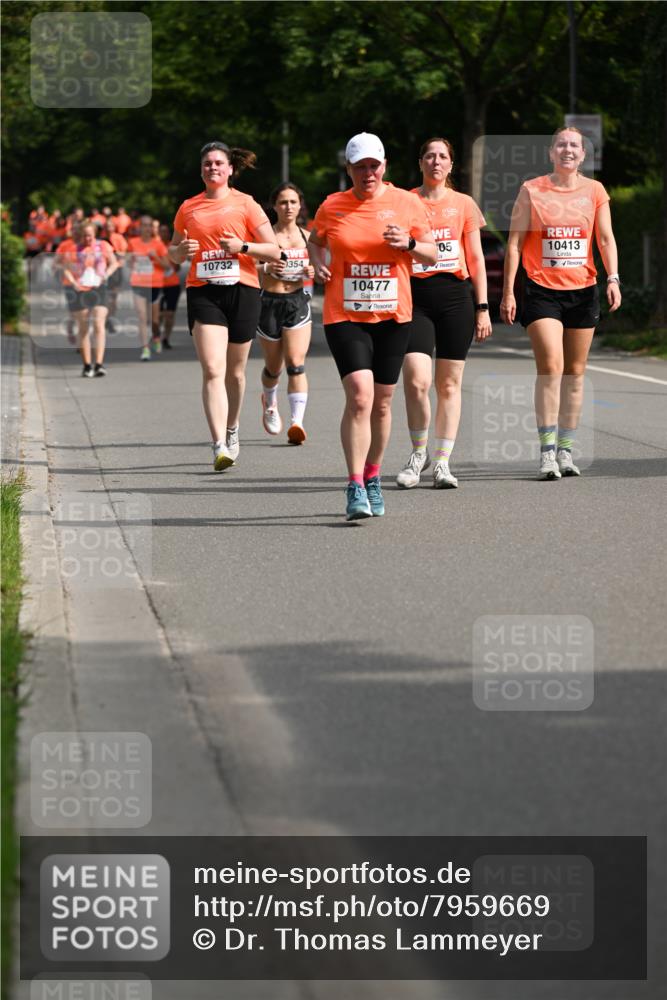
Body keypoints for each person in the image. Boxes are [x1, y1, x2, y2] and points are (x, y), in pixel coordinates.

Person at [308, 133, 436, 520]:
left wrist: (409, 243)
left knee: (382, 402)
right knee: (360, 396)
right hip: (345, 315)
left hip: (393, 316)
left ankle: (373, 475)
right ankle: (355, 485)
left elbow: (431, 254)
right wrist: (318, 264)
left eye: (374, 166)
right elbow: (315, 240)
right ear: (348, 169)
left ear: (384, 167)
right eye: (360, 167)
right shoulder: (332, 206)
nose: (368, 173)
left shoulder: (406, 203)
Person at [500, 125, 622, 479]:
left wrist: (613, 278)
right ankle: (547, 452)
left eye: (574, 146)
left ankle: (566, 451)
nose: (568, 150)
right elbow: (514, 244)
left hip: (583, 290)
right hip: (541, 290)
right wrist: (508, 291)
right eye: (561, 145)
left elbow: (605, 239)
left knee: (575, 373)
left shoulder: (595, 191)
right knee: (552, 367)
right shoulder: (532, 189)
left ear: (583, 155)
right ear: (551, 152)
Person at [168, 140, 281, 470]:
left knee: (235, 372)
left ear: (230, 169)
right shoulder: (188, 207)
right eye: (207, 164)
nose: (212, 168)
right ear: (201, 170)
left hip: (242, 291)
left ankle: (232, 428)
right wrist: (180, 252)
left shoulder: (246, 204)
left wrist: (242, 246)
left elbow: (274, 250)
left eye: (218, 163)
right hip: (204, 292)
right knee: (213, 369)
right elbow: (172, 252)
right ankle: (218, 443)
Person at [396, 137, 493, 490]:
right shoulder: (404, 201)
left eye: (442, 157)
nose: (436, 161)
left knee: (449, 384)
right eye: (430, 156)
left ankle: (442, 463)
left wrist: (483, 307)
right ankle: (418, 454)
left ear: (451, 164)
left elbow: (476, 258)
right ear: (420, 162)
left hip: (455, 298)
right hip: (415, 297)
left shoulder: (463, 204)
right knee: (416, 380)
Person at [257, 183, 315, 444]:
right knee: (273, 368)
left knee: (295, 363)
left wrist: (313, 271)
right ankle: (270, 403)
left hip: (297, 302)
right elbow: (247, 266)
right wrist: (267, 268)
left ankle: (297, 423)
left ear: (300, 205)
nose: (288, 207)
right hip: (269, 303)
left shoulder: (308, 237)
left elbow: (321, 268)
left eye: (293, 202)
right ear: (275, 206)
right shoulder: (265, 237)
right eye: (283, 202)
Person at [60, 221, 118, 376]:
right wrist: (73, 283)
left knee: (99, 323)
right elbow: (66, 269)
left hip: (99, 287)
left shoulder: (103, 246)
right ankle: (87, 366)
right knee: (83, 327)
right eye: (85, 236)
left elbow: (114, 263)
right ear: (80, 235)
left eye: (90, 236)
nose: (87, 239)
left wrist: (106, 275)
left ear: (95, 234)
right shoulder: (73, 249)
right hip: (81, 289)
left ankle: (99, 364)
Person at [127, 216, 170, 359]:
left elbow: (167, 266)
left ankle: (156, 337)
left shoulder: (158, 244)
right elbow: (128, 262)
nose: (146, 228)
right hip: (138, 283)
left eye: (149, 225)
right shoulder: (133, 242)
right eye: (144, 225)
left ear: (152, 228)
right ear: (139, 227)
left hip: (154, 284)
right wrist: (131, 260)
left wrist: (156, 257)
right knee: (142, 317)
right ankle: (145, 348)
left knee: (154, 320)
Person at [157, 223, 181, 349]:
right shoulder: (154, 246)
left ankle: (166, 338)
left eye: (166, 231)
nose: (164, 234)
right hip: (157, 285)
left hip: (173, 284)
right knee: (159, 314)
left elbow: (177, 267)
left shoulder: (173, 247)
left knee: (170, 314)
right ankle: (156, 336)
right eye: (161, 231)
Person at [103, 216, 128, 332]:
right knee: (105, 298)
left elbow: (123, 254)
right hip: (104, 271)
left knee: (113, 299)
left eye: (110, 226)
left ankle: (109, 319)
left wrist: (114, 254)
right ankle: (105, 319)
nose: (109, 228)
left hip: (117, 271)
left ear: (114, 227)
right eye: (107, 226)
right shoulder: (101, 240)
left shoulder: (119, 238)